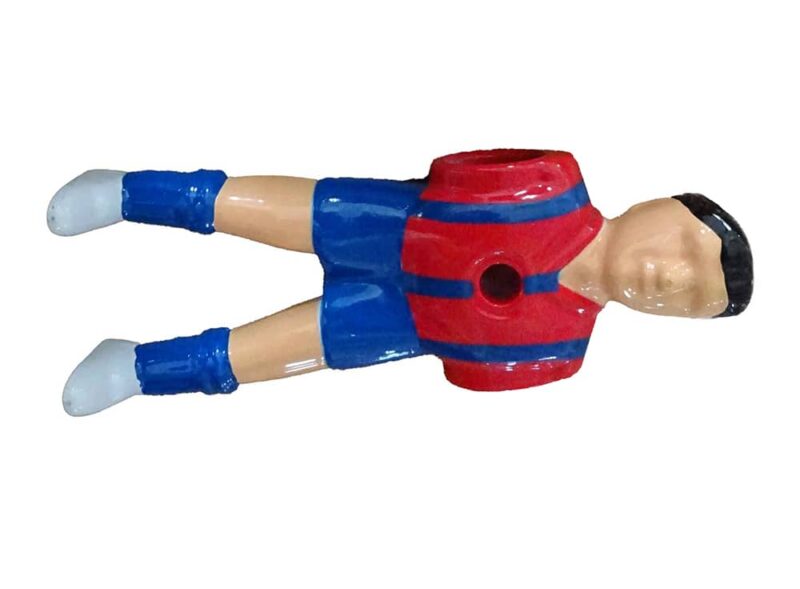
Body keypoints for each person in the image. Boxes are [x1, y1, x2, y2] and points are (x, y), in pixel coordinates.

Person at [48, 149, 753, 415]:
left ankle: (136, 369)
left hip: (393, 324)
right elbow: (455, 170)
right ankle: (125, 191)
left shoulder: (560, 350)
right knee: (232, 204)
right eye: (687, 251)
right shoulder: (552, 181)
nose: (671, 279)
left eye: (690, 300)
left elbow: (470, 374)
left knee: (243, 359)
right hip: (386, 222)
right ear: (660, 205)